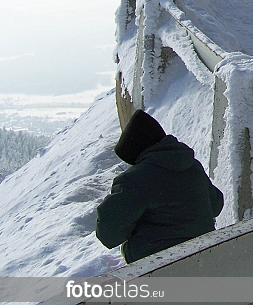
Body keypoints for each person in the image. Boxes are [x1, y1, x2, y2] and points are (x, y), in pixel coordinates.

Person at [96, 110, 224, 264]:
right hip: (204, 258)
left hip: (157, 267)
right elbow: (216, 205)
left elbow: (109, 234)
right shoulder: (192, 166)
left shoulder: (135, 180)